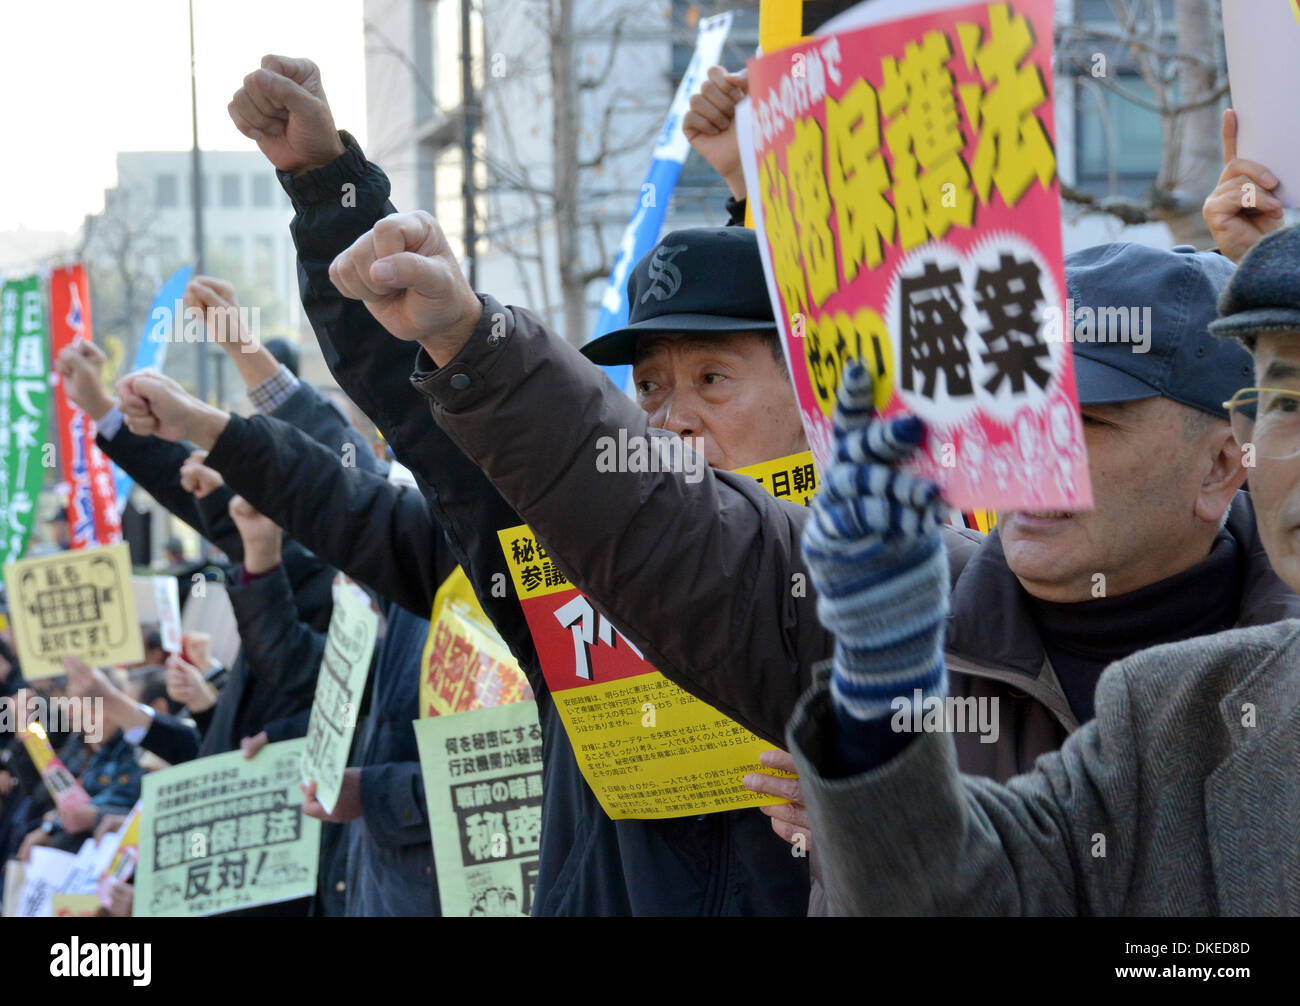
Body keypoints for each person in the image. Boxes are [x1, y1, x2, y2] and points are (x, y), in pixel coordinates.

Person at [786, 224, 1300, 914]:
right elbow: (951, 894)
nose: (1034, 458)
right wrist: (880, 689)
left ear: (1219, 466)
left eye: (1087, 422)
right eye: (1287, 404)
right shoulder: (1163, 713)